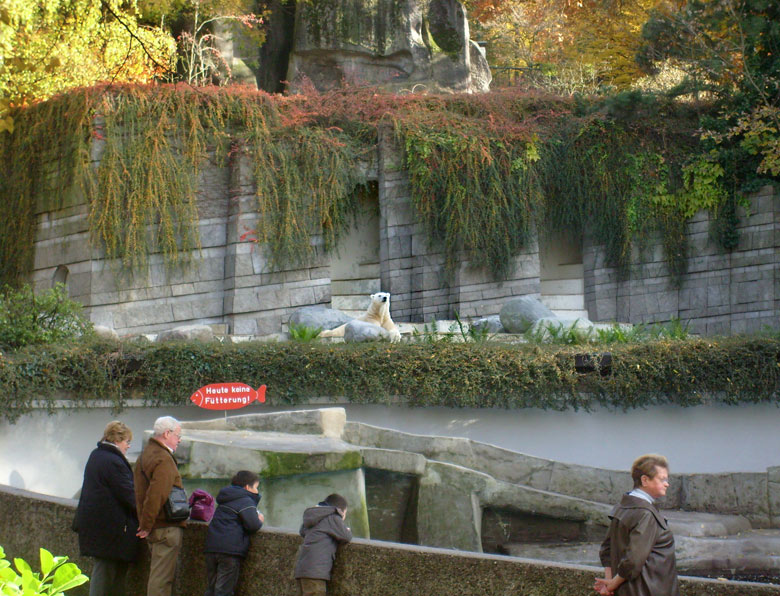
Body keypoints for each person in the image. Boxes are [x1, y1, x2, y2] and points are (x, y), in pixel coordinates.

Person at [594, 454, 679, 596]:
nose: (667, 484)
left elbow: (606, 550)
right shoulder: (645, 514)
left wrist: (610, 581)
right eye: (662, 479)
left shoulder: (622, 507)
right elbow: (633, 561)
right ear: (645, 480)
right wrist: (611, 585)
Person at [74, 421, 140, 596]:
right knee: (105, 574)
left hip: (99, 527)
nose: (128, 446)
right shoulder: (113, 462)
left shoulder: (97, 455)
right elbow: (129, 495)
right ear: (117, 439)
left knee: (106, 573)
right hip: (110, 530)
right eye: (127, 441)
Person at [134, 416, 185, 596]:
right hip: (165, 527)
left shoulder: (145, 455)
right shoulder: (163, 458)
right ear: (167, 433)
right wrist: (147, 525)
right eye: (178, 435)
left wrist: (145, 522)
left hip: (154, 526)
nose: (179, 440)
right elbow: (157, 493)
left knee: (158, 576)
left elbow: (141, 492)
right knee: (161, 580)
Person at [203, 470, 265, 596]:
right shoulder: (245, 501)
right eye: (256, 488)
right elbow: (252, 525)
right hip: (229, 551)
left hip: (212, 547)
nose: (257, 492)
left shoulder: (226, 498)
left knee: (211, 589)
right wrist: (260, 520)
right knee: (223, 591)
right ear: (248, 487)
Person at [293, 493, 353, 596]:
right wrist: (345, 528)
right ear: (341, 510)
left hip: (303, 570)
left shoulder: (315, 516)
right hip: (315, 572)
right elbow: (346, 536)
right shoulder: (332, 516)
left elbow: (302, 532)